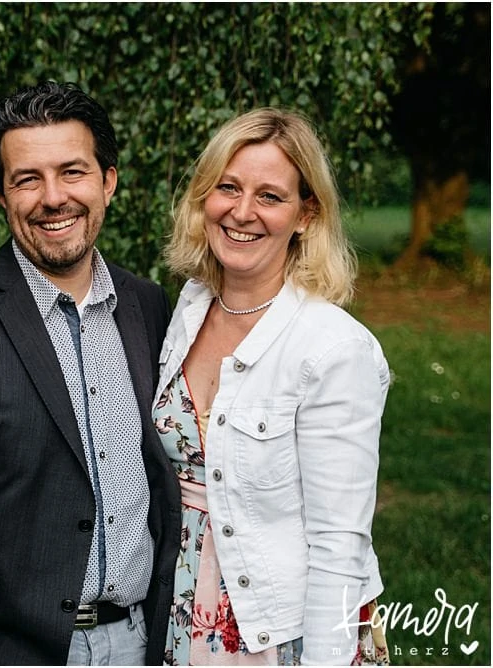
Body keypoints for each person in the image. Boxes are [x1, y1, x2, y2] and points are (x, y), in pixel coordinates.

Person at [0, 81, 182, 666]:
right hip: (10, 649)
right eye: (27, 179)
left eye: (72, 172)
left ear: (109, 181)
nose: (53, 198)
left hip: (139, 640)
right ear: (2, 195)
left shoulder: (149, 306)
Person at [152, 107, 390, 666]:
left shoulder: (334, 350)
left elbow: (340, 545)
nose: (241, 212)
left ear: (307, 213)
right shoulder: (188, 308)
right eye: (227, 188)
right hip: (182, 607)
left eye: (270, 196)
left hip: (280, 627)